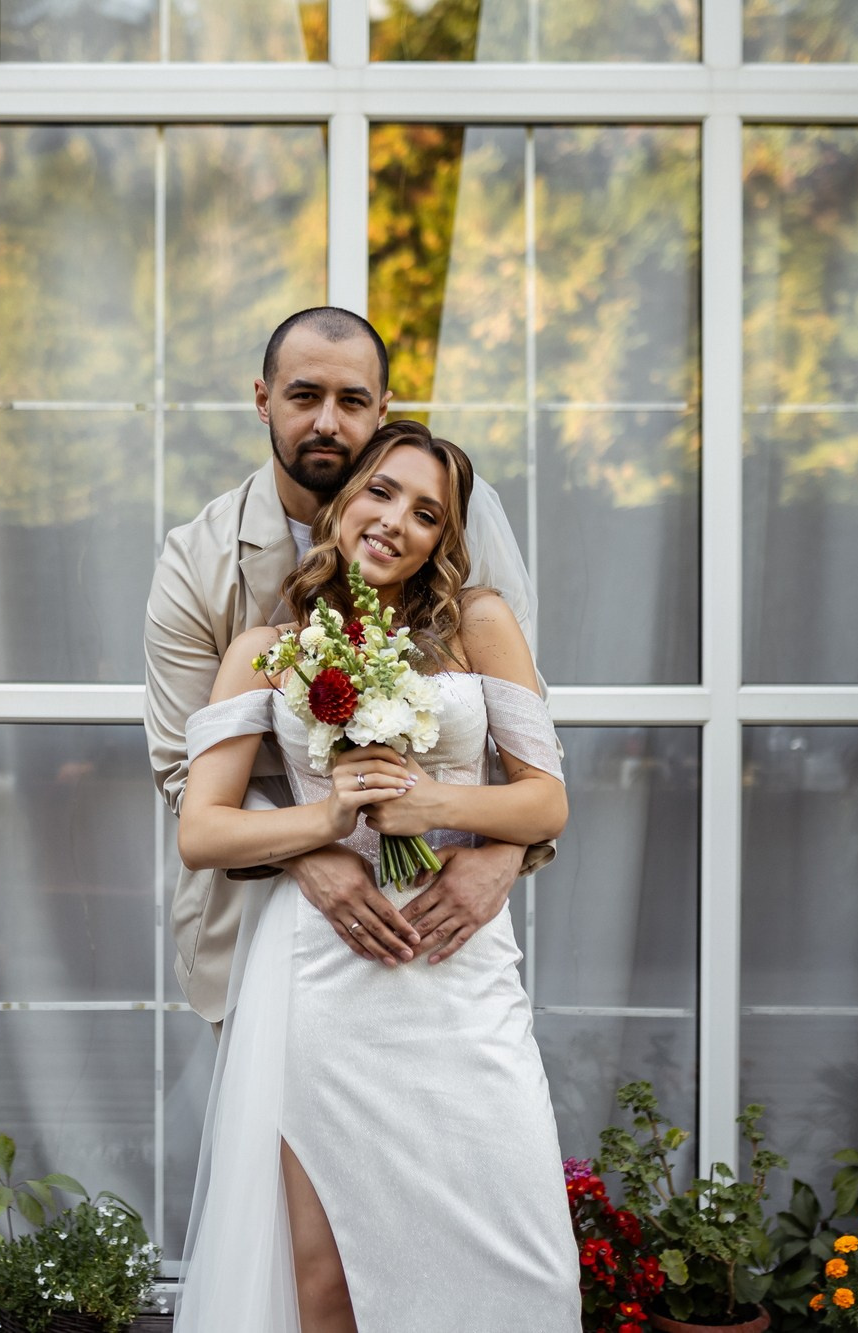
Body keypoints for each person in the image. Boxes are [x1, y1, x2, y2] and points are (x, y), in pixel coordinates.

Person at [170, 420, 579, 1331]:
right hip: (322, 976)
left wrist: (433, 806)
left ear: (446, 537)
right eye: (382, 492)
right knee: (330, 1274)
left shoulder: (480, 623)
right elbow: (203, 830)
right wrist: (326, 817)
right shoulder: (266, 648)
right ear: (343, 499)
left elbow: (546, 802)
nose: (397, 520)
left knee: (528, 1258)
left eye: (428, 512)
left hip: (458, 972)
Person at [144, 307, 551, 1030]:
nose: (328, 422)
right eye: (304, 396)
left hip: (445, 918)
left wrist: (504, 851)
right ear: (264, 400)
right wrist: (311, 850)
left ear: (382, 409)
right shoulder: (197, 562)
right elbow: (186, 774)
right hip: (275, 914)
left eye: (353, 401)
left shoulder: (464, 535)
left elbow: (526, 740)